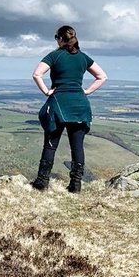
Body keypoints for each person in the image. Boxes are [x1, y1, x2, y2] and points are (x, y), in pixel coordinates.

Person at [30, 25, 107, 193]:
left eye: (56, 36)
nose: (55, 40)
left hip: (58, 104)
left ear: (60, 39)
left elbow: (37, 74)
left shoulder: (54, 56)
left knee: (50, 145)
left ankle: (42, 183)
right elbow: (102, 76)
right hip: (80, 105)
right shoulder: (83, 58)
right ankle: (75, 185)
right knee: (77, 147)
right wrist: (86, 91)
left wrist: (46, 91)